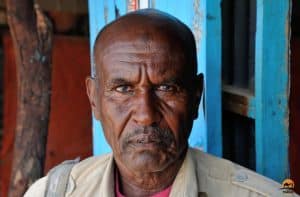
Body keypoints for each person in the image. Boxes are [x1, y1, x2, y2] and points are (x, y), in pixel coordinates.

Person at [25, 9, 298, 197]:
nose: (145, 115)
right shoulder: (52, 192)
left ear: (195, 97)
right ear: (94, 99)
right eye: (123, 89)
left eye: (167, 88)